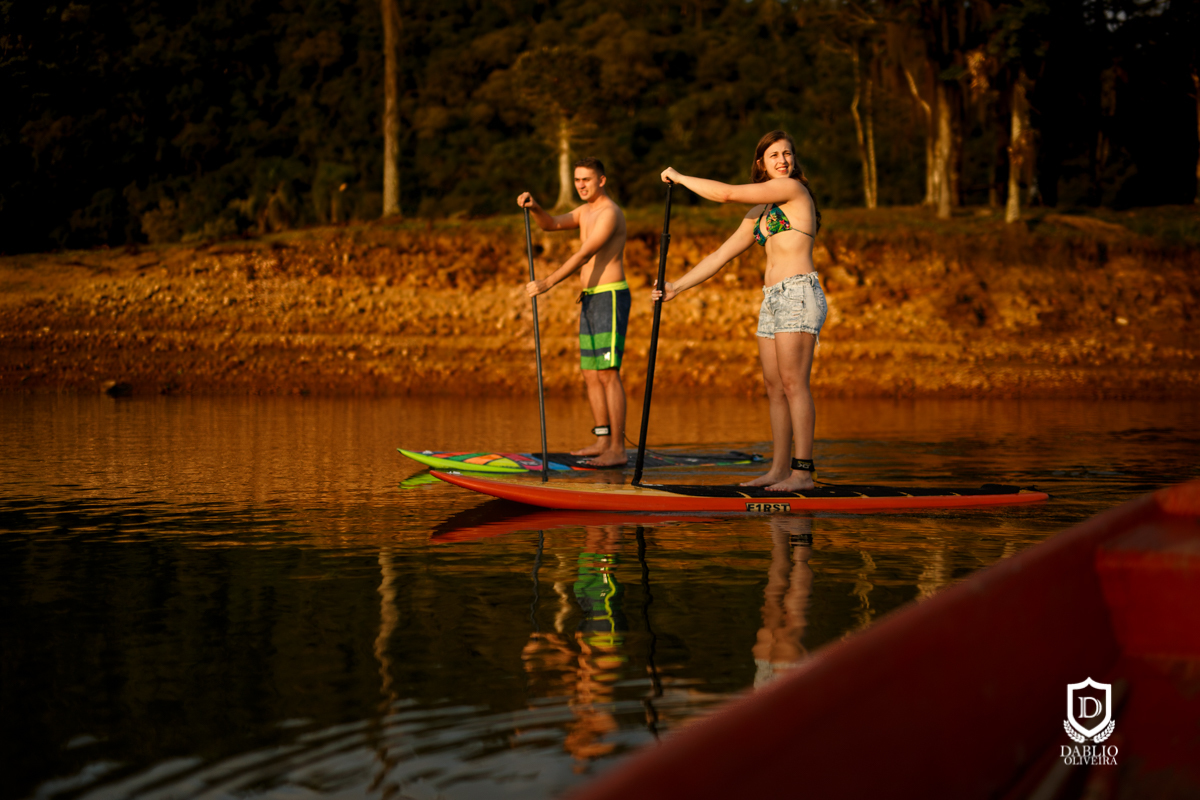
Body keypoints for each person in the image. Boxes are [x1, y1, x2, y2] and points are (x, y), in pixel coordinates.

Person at [654, 131, 826, 491]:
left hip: (798, 292)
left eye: (788, 154)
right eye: (774, 155)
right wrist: (676, 287)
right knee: (774, 387)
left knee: (794, 384)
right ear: (761, 163)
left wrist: (682, 178)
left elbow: (726, 193)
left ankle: (803, 472)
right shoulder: (761, 211)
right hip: (772, 298)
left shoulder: (794, 191)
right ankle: (779, 471)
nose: (783, 160)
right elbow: (720, 255)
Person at [518, 157, 631, 468]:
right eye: (578, 180)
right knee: (590, 374)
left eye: (587, 180)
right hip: (590, 298)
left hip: (610, 296)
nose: (582, 185)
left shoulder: (609, 213)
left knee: (608, 374)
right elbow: (551, 224)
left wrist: (547, 283)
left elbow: (583, 255)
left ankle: (618, 449)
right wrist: (535, 207)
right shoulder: (584, 211)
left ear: (602, 181)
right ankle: (601, 440)